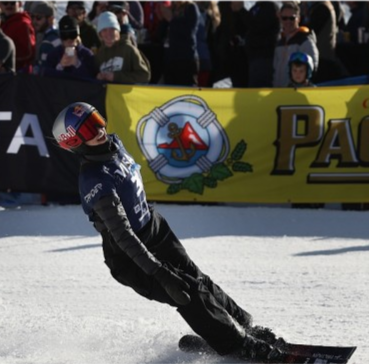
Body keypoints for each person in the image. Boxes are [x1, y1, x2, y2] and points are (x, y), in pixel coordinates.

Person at [51, 101, 286, 362]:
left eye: (96, 121)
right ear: (75, 142)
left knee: (198, 278)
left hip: (154, 229)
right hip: (131, 256)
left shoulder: (113, 145)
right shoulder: (94, 179)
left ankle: (243, 326)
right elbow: (123, 235)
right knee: (185, 292)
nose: (98, 131)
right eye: (87, 131)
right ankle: (236, 345)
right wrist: (159, 272)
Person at [95, 11, 151, 83]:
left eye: (112, 29)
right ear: (100, 34)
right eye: (104, 30)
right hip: (107, 93)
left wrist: (116, 77)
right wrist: (98, 77)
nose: (108, 34)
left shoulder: (129, 49)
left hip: (126, 94)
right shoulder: (100, 54)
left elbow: (144, 76)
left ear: (118, 31)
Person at [273, 2, 318, 87]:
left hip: (296, 93)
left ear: (299, 19)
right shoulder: (280, 42)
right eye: (284, 18)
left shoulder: (305, 40)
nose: (288, 21)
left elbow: (312, 69)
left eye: (292, 18)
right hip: (278, 93)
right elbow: (275, 70)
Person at [43, 15, 97, 79]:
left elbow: (93, 79)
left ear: (77, 35)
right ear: (60, 37)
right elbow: (46, 79)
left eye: (72, 35)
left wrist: (77, 64)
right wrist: (60, 66)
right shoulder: (53, 55)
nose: (69, 40)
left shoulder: (86, 54)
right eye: (65, 36)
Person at [245, 0, 280, 87]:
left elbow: (256, 26)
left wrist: (241, 10)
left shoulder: (270, 7)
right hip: (253, 57)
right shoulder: (255, 7)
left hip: (264, 57)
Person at [0, 0, 35, 73]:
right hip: (2, 73)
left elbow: (29, 54)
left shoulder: (23, 24)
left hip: (19, 74)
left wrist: (7, 62)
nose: (9, 6)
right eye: (5, 2)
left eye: (13, 2)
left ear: (20, 4)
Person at [30, 1, 60, 73]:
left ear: (50, 19)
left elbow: (44, 69)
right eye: (32, 17)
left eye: (39, 18)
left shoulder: (48, 42)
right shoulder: (58, 35)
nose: (34, 21)